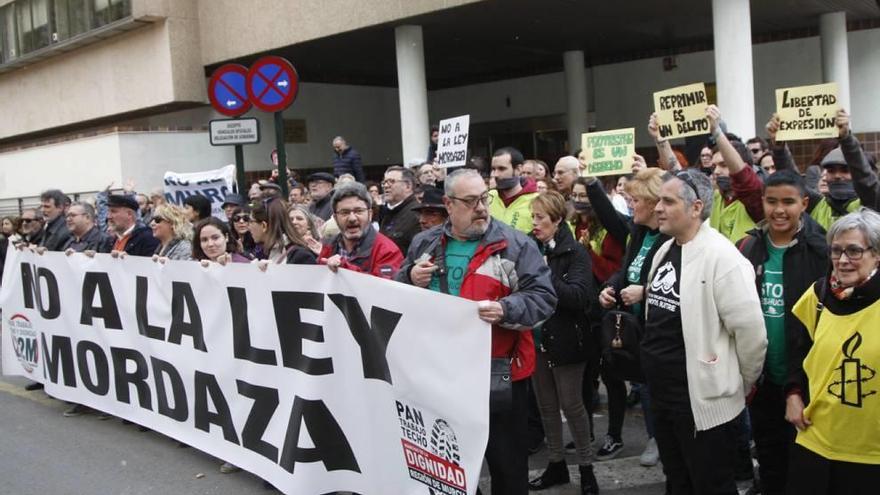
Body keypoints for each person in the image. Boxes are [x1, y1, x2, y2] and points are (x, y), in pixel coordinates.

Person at [397, 168, 556, 495]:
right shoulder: (424, 244)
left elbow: (544, 298)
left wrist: (506, 309)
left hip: (501, 374)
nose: (482, 207)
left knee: (508, 468)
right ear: (448, 204)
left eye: (485, 198)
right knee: (448, 467)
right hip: (441, 375)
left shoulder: (515, 245)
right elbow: (396, 296)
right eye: (470, 201)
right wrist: (409, 278)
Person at [644, 169, 767, 494]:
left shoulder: (723, 257)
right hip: (664, 397)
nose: (658, 208)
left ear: (696, 208)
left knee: (711, 485)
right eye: (658, 200)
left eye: (668, 201)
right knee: (678, 481)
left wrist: (734, 383)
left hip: (703, 405)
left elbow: (752, 335)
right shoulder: (666, 249)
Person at [734, 170, 828, 495]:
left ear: (804, 203)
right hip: (761, 384)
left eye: (788, 202)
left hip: (806, 386)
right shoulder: (747, 248)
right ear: (762, 203)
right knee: (770, 464)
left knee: (802, 470)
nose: (779, 210)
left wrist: (797, 389)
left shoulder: (820, 252)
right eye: (771, 201)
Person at [785, 209, 880, 495]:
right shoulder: (817, 296)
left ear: (877, 255)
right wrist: (792, 394)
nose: (842, 260)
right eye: (836, 250)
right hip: (815, 439)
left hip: (870, 451)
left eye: (854, 251)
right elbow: (797, 353)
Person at [526, 191, 598, 494]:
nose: (535, 223)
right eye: (533, 217)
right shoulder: (530, 246)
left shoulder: (575, 252)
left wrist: (544, 272)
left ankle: (586, 468)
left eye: (540, 217)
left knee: (572, 405)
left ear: (557, 219)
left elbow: (578, 297)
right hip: (537, 339)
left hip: (568, 341)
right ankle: (556, 464)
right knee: (546, 406)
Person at [597, 168, 670, 467]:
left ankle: (663, 440)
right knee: (645, 385)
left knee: (657, 389)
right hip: (637, 326)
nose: (630, 206)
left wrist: (647, 292)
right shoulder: (639, 232)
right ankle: (657, 436)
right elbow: (626, 269)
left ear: (654, 202)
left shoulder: (670, 237)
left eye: (635, 199)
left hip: (661, 328)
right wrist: (610, 288)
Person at [768, 109, 877, 231]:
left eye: (845, 170)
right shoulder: (816, 204)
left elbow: (866, 181)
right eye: (831, 170)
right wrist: (779, 147)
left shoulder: (870, 203)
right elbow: (792, 180)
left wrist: (846, 139)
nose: (837, 175)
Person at [701, 106, 765, 243]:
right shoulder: (715, 197)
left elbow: (743, 178)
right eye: (714, 166)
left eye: (724, 165)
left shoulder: (756, 199)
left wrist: (716, 131)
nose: (716, 171)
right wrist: (661, 141)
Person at [320, 182, 403, 279]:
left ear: (370, 214)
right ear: (335, 217)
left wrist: (344, 268)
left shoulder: (387, 251)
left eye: (358, 211)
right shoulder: (328, 246)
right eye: (344, 212)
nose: (352, 218)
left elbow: (383, 288)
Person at [248, 199, 316, 265]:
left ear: (264, 226)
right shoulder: (263, 252)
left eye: (251, 221)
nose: (249, 227)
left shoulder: (301, 256)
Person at [488, 147, 538, 234]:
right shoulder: (487, 198)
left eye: (501, 169)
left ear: (518, 169)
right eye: (493, 169)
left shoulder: (537, 201)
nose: (495, 174)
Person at [379, 166, 421, 254]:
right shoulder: (387, 213)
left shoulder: (417, 214)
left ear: (408, 186)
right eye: (384, 182)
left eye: (391, 181)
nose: (386, 186)